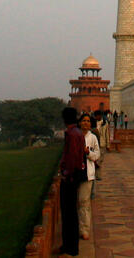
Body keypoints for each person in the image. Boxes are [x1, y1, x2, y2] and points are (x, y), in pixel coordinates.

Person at [58, 107, 86, 255]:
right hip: (74, 176)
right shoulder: (77, 133)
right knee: (70, 213)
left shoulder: (72, 134)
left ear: (64, 119)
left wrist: (66, 174)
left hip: (70, 178)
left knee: (68, 213)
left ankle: (71, 247)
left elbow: (73, 158)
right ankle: (70, 245)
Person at [77, 113, 101, 241]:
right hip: (75, 173)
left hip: (87, 174)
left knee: (84, 202)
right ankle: (77, 227)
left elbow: (97, 155)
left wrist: (88, 153)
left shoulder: (92, 138)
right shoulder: (75, 136)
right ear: (80, 122)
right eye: (83, 121)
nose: (85, 123)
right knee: (76, 202)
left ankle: (85, 229)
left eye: (87, 121)